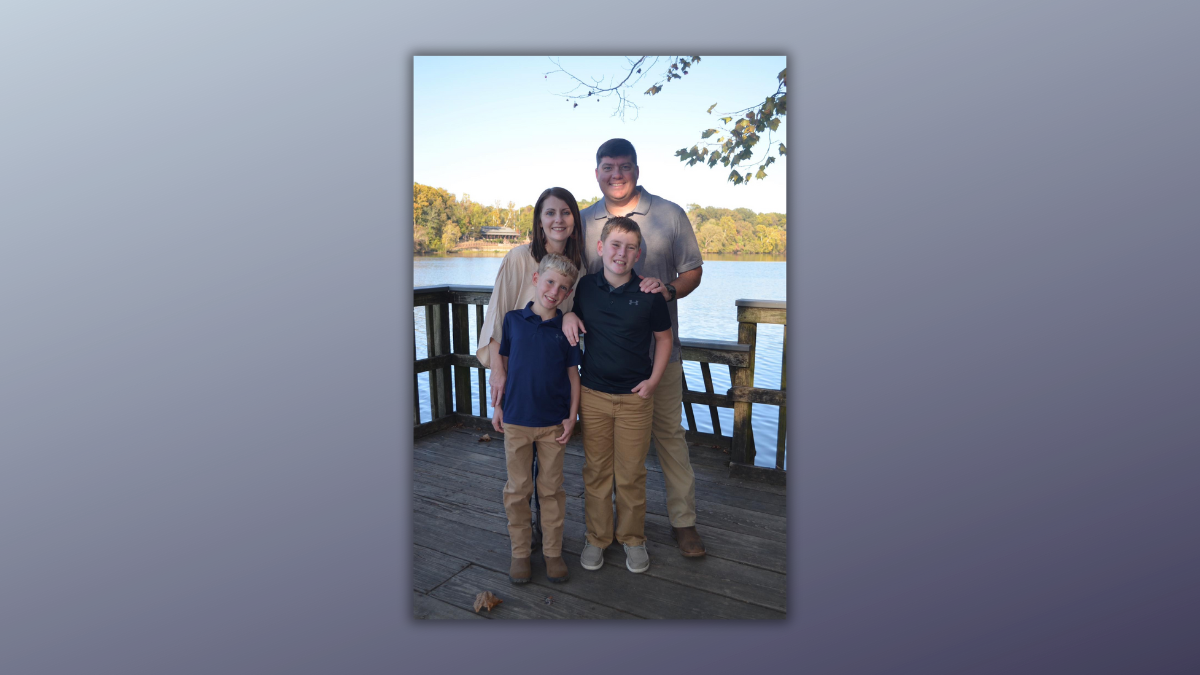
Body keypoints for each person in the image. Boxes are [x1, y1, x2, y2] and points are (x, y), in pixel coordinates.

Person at [564, 138, 708, 557]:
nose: (617, 175)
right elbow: (567, 275)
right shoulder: (583, 221)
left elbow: (693, 271)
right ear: (597, 173)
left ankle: (683, 522)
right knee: (602, 459)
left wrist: (667, 290)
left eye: (624, 166)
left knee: (669, 438)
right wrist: (567, 314)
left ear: (637, 170)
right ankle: (602, 533)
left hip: (659, 358)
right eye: (608, 167)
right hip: (603, 368)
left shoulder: (669, 214)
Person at [476, 187, 585, 550]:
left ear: (575, 220)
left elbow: (576, 310)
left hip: (552, 380)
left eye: (565, 212)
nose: (558, 220)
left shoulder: (579, 266)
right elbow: (498, 317)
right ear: (539, 220)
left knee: (550, 481)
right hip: (517, 373)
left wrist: (569, 314)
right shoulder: (518, 258)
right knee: (520, 479)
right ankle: (523, 544)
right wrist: (498, 371)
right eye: (550, 212)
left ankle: (548, 539)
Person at [573, 217, 672, 574]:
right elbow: (564, 312)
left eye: (630, 248)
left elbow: (664, 339)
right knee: (597, 472)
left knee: (630, 474)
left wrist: (653, 381)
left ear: (638, 254)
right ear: (601, 248)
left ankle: (632, 537)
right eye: (615, 245)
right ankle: (597, 537)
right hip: (593, 395)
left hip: (635, 399)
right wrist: (568, 317)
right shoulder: (585, 287)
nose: (622, 253)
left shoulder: (649, 294)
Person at [491, 253, 582, 584]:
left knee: (551, 490)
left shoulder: (565, 329)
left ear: (568, 293)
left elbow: (573, 376)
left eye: (563, 288)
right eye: (550, 282)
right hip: (516, 420)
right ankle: (520, 552)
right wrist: (498, 407)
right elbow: (503, 368)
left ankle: (552, 552)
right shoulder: (513, 321)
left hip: (553, 425)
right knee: (518, 489)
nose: (554, 291)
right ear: (535, 279)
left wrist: (571, 417)